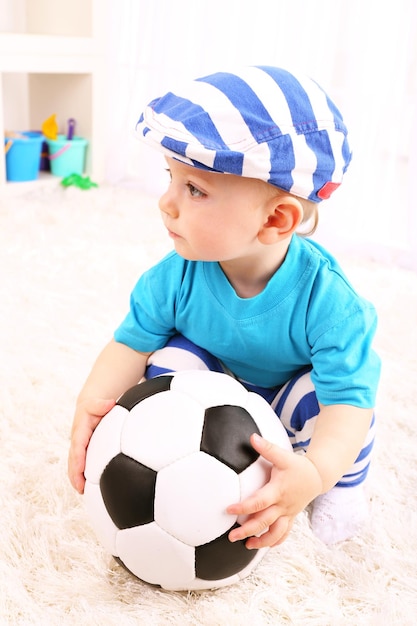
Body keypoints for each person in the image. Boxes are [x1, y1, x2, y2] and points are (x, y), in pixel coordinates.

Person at [68, 66, 380, 547]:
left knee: (330, 407)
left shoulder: (332, 305)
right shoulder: (174, 277)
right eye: (171, 178)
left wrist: (315, 475)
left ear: (276, 219)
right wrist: (91, 406)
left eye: (195, 190)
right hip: (217, 391)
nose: (165, 203)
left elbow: (349, 405)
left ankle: (343, 490)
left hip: (288, 403)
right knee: (169, 359)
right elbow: (128, 345)